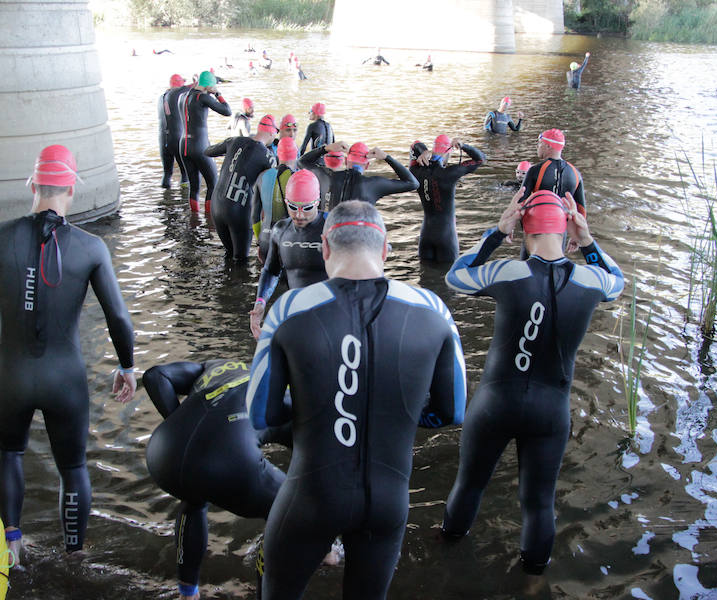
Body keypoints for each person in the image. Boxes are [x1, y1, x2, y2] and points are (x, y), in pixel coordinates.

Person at [246, 200, 467, 600]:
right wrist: (393, 416)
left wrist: (313, 412)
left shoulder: (289, 309)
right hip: (388, 501)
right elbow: (451, 411)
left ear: (325, 248)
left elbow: (260, 413)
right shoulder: (435, 311)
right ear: (385, 251)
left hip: (311, 495)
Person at [0, 145, 137, 565]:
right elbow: (119, 318)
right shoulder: (91, 248)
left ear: (32, 185)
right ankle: (74, 556)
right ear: (71, 188)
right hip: (64, 379)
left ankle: (12, 548)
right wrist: (127, 366)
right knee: (73, 468)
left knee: (8, 451)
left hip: (11, 375)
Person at [441, 190, 623, 578]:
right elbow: (618, 281)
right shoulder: (592, 280)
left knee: (469, 486)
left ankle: (447, 560)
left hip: (494, 404)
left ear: (523, 228)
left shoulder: (511, 272)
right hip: (550, 412)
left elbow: (455, 276)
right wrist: (587, 240)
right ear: (565, 229)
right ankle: (533, 580)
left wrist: (495, 232)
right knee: (539, 504)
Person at [144, 358, 288, 600]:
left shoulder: (215, 366)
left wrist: (177, 421)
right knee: (288, 506)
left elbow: (154, 376)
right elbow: (312, 466)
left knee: (194, 498)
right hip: (228, 453)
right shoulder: (285, 387)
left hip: (163, 450)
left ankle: (188, 593)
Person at [249, 170, 328, 339]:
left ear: (317, 202)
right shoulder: (280, 229)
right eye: (293, 207)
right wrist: (260, 302)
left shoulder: (332, 227)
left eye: (306, 208)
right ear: (286, 202)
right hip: (295, 312)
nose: (299, 215)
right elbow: (271, 270)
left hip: (329, 314)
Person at [206, 115, 278, 261]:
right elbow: (274, 186)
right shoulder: (269, 157)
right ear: (272, 133)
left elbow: (207, 152)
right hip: (238, 211)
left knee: (228, 254)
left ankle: (225, 282)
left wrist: (231, 152)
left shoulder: (234, 140)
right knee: (241, 261)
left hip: (216, 206)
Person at [409, 134, 485, 262]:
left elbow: (414, 145)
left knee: (425, 277)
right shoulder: (450, 173)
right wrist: (464, 146)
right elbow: (480, 159)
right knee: (446, 275)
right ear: (448, 153)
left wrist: (424, 151)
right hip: (446, 237)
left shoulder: (415, 170)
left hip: (425, 236)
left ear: (432, 150)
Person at [300, 141, 418, 210]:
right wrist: (387, 158)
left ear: (346, 162)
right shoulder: (373, 184)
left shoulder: (327, 177)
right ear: (366, 166)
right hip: (357, 246)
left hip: (329, 242)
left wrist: (326, 148)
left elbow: (302, 162)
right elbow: (412, 183)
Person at [183, 70, 231, 213]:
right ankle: (210, 221)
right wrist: (217, 94)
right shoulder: (202, 97)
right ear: (208, 86)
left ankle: (195, 220)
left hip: (184, 146)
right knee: (213, 183)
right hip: (199, 145)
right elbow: (227, 111)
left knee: (194, 186)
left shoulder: (187, 96)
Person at [252, 136, 299, 263]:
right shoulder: (298, 179)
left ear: (278, 153)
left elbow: (254, 215)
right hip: (287, 241)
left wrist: (259, 242)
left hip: (265, 239)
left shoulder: (262, 176)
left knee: (266, 277)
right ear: (296, 153)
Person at [522, 129, 585, 219]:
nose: (537, 147)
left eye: (540, 143)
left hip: (538, 225)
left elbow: (520, 204)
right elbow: (582, 211)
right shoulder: (576, 173)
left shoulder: (535, 170)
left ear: (548, 146)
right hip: (562, 228)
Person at [159, 74, 193, 189]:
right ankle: (185, 200)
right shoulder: (178, 93)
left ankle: (166, 198)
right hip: (176, 138)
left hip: (163, 139)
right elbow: (191, 88)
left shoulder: (162, 97)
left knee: (167, 174)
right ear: (179, 84)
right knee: (185, 173)